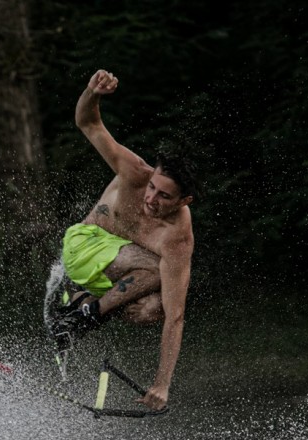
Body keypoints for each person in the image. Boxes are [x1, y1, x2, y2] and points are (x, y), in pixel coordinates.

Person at [49, 69, 201, 411]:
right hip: (84, 246)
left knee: (155, 309)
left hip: (114, 269)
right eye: (152, 187)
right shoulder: (134, 171)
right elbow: (88, 123)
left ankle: (81, 305)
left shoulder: (178, 238)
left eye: (164, 196)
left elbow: (176, 316)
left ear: (184, 201)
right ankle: (85, 314)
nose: (151, 199)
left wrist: (162, 384)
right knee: (158, 270)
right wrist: (92, 92)